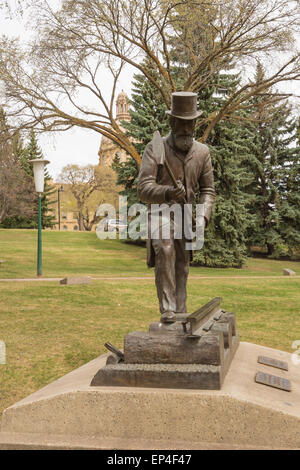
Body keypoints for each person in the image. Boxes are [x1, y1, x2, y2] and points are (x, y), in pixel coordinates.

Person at [138, 92, 215, 323]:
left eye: (190, 123)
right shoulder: (156, 148)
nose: (186, 129)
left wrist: (202, 218)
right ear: (172, 122)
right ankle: (168, 310)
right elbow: (143, 188)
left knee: (182, 266)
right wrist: (168, 192)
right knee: (166, 247)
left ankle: (181, 312)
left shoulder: (202, 153)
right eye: (181, 123)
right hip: (161, 213)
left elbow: (208, 191)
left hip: (186, 216)